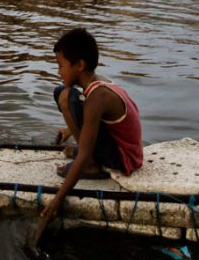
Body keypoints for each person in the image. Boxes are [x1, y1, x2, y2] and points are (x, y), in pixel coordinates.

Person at [40, 28, 143, 221]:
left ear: (79, 65)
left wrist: (57, 200)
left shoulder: (97, 97)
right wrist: (70, 130)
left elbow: (90, 112)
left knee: (67, 96)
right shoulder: (98, 84)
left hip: (124, 158)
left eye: (60, 66)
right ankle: (86, 153)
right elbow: (97, 119)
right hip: (125, 150)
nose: (58, 71)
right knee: (61, 92)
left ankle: (91, 165)